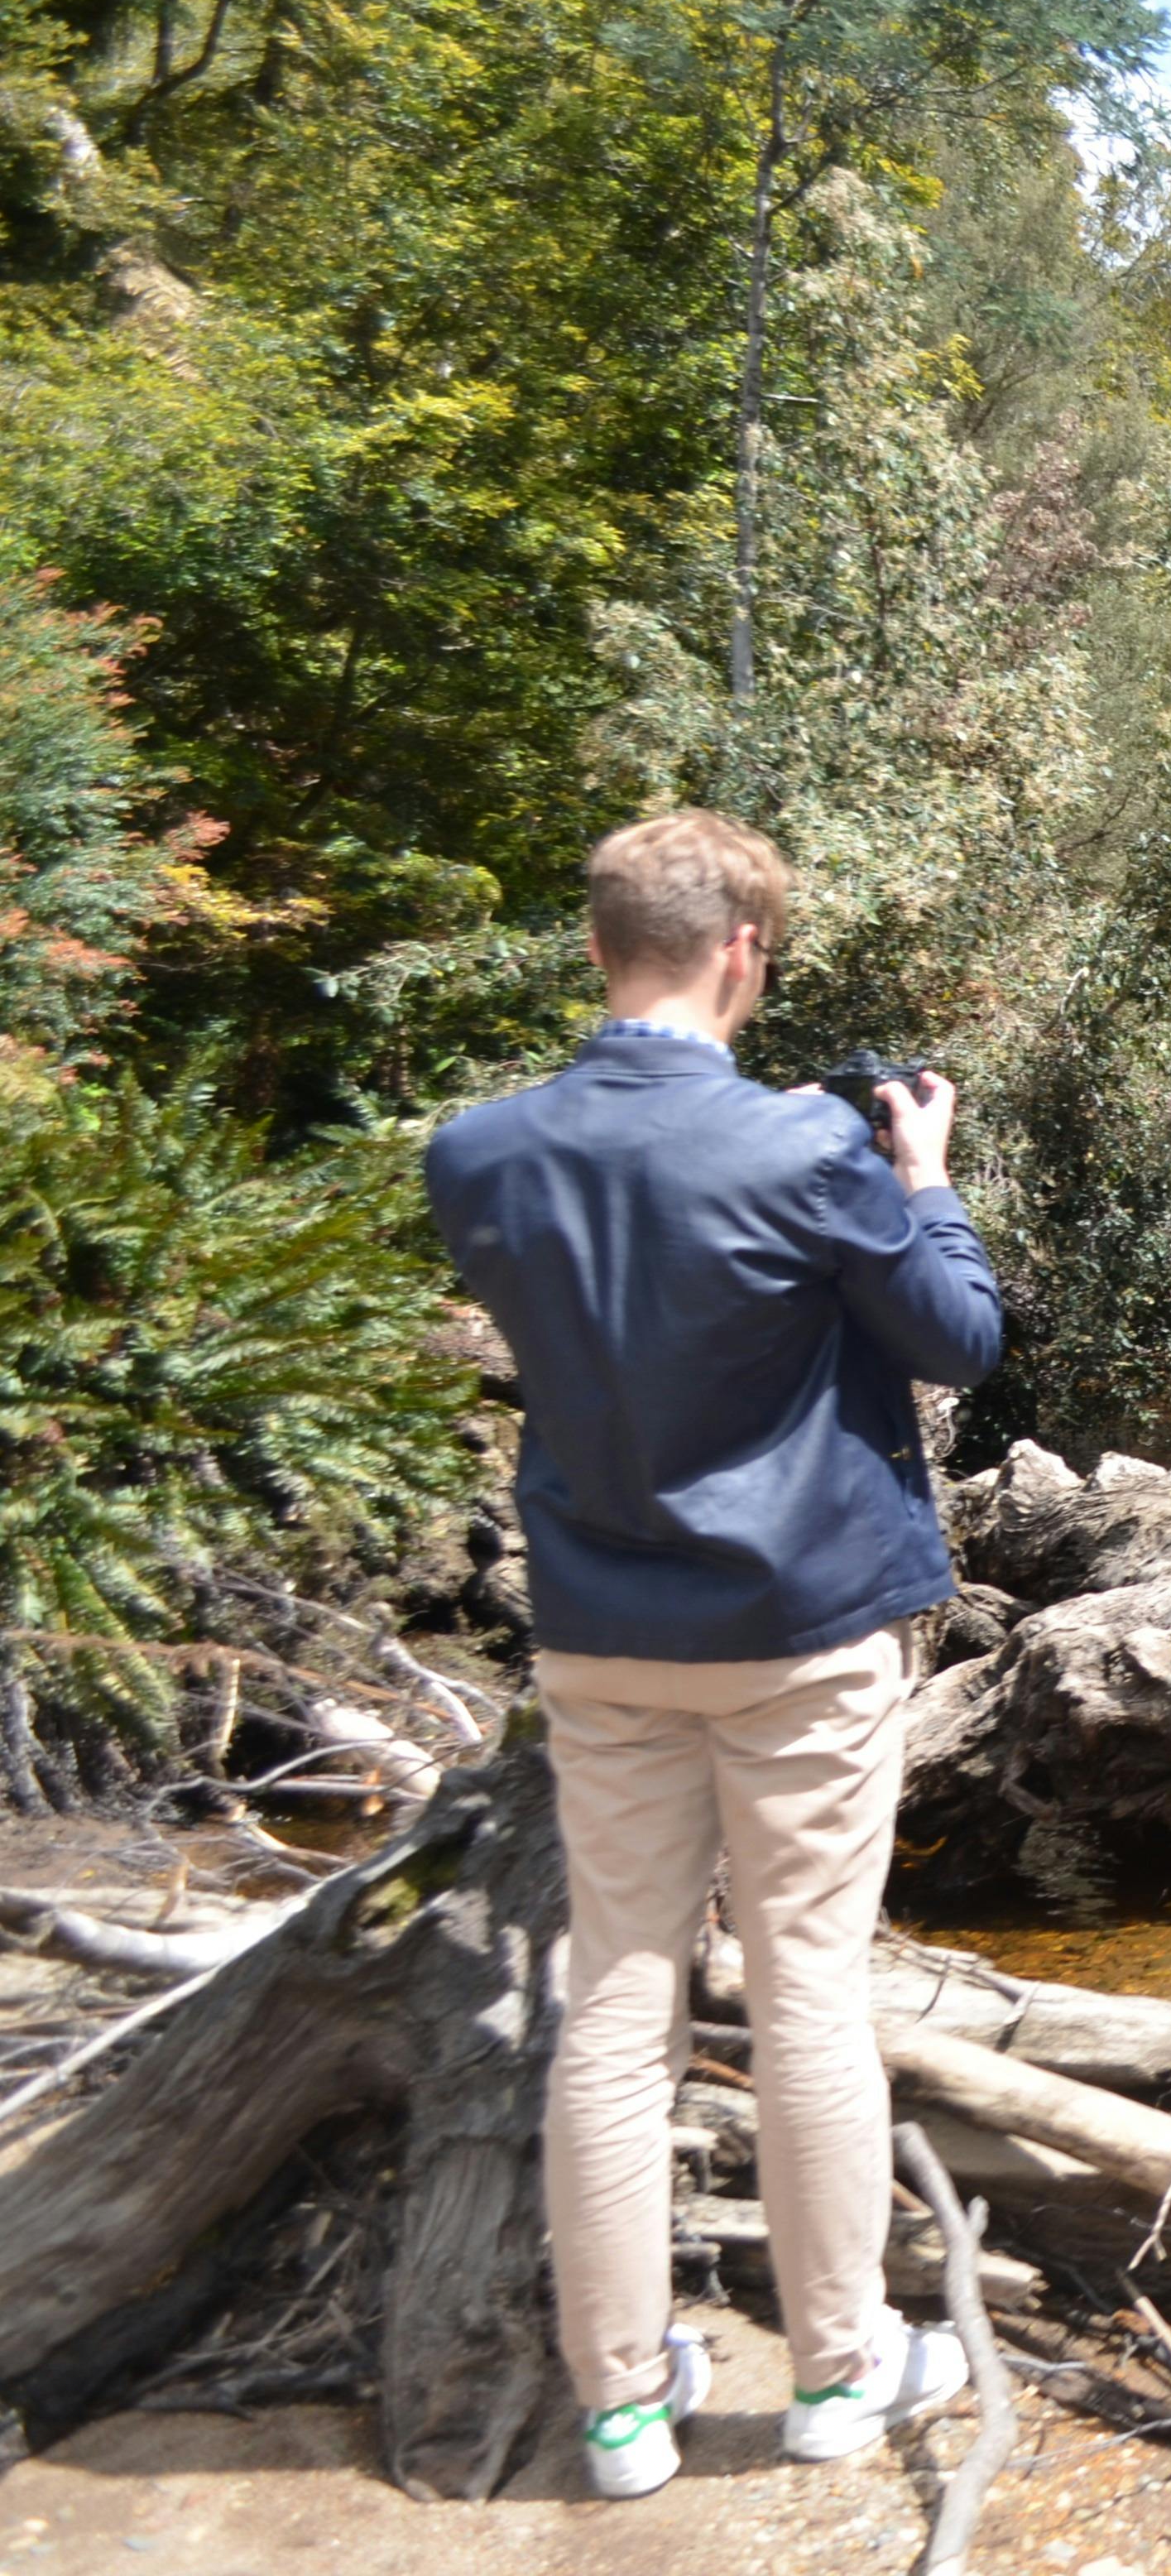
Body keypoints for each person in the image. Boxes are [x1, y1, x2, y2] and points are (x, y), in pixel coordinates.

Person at [425, 810, 1002, 2500]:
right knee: (812, 1989)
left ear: (602, 945)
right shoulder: (804, 1156)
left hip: (603, 1632)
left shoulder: (478, 1155)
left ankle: (619, 2408)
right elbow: (957, 1334)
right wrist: (925, 1176)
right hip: (802, 1636)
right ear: (741, 950)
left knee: (616, 1995)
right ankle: (837, 2374)